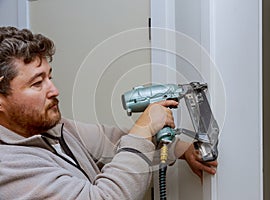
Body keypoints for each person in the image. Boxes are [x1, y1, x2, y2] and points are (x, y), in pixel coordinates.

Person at [0, 26, 217, 200]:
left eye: (50, 77)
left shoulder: (49, 128)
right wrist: (144, 128)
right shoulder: (8, 168)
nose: (54, 90)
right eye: (38, 83)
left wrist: (180, 149)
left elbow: (110, 141)